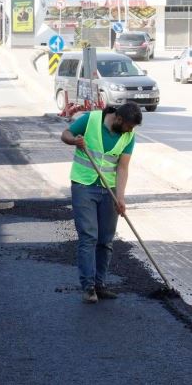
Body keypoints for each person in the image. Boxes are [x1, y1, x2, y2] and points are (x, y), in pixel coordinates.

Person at [61, 102, 142, 304]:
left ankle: (100, 284)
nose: (130, 131)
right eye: (129, 126)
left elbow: (122, 167)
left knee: (105, 239)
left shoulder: (128, 136)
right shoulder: (91, 119)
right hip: (84, 185)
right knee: (89, 236)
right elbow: (65, 134)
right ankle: (88, 287)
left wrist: (120, 198)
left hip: (109, 190)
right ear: (119, 119)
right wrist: (74, 141)